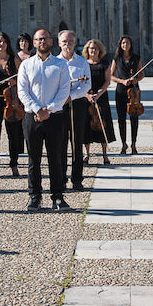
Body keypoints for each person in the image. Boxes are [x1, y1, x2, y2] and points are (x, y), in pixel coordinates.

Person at [17, 29, 72, 211]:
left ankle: (57, 196)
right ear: (33, 43)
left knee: (55, 158)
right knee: (34, 159)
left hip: (54, 116)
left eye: (46, 39)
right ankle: (35, 196)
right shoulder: (26, 65)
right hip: (32, 117)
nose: (42, 42)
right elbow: (22, 91)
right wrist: (37, 109)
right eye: (39, 39)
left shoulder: (60, 65)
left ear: (51, 42)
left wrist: (49, 109)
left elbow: (64, 90)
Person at [0, 32, 24, 177]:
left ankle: (14, 163)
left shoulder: (14, 60)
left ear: (7, 44)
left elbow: (23, 79)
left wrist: (15, 82)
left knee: (13, 133)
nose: (1, 44)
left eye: (4, 41)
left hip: (12, 100)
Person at [58, 29, 91, 191]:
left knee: (77, 143)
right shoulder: (54, 62)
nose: (67, 44)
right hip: (59, 106)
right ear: (59, 43)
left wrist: (72, 95)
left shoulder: (82, 62)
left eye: (70, 41)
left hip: (77, 104)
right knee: (60, 143)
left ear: (75, 43)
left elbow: (87, 85)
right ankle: (61, 178)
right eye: (64, 41)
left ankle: (77, 179)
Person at [82, 38, 114, 165]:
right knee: (86, 126)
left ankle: (105, 155)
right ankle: (86, 154)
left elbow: (107, 80)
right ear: (87, 50)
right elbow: (81, 81)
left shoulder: (104, 63)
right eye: (91, 48)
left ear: (99, 50)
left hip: (101, 97)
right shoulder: (84, 64)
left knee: (103, 125)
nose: (93, 50)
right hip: (87, 98)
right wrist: (87, 95)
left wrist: (99, 93)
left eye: (95, 48)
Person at [110, 35, 143, 155]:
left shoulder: (136, 58)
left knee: (134, 117)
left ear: (130, 45)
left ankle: (134, 144)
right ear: (121, 45)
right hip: (121, 90)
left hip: (134, 91)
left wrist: (136, 79)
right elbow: (111, 75)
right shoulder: (117, 58)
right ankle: (124, 144)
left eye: (127, 43)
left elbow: (142, 74)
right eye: (123, 43)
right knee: (121, 118)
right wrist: (122, 81)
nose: (125, 45)